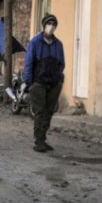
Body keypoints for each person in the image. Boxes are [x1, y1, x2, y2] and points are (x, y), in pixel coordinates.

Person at [22, 14, 65, 152]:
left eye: (54, 24)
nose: (51, 26)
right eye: (49, 23)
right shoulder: (34, 42)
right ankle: (38, 140)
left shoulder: (58, 45)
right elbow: (28, 63)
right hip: (38, 83)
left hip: (53, 83)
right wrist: (29, 82)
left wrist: (58, 79)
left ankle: (43, 138)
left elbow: (61, 64)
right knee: (39, 112)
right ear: (44, 25)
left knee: (49, 111)